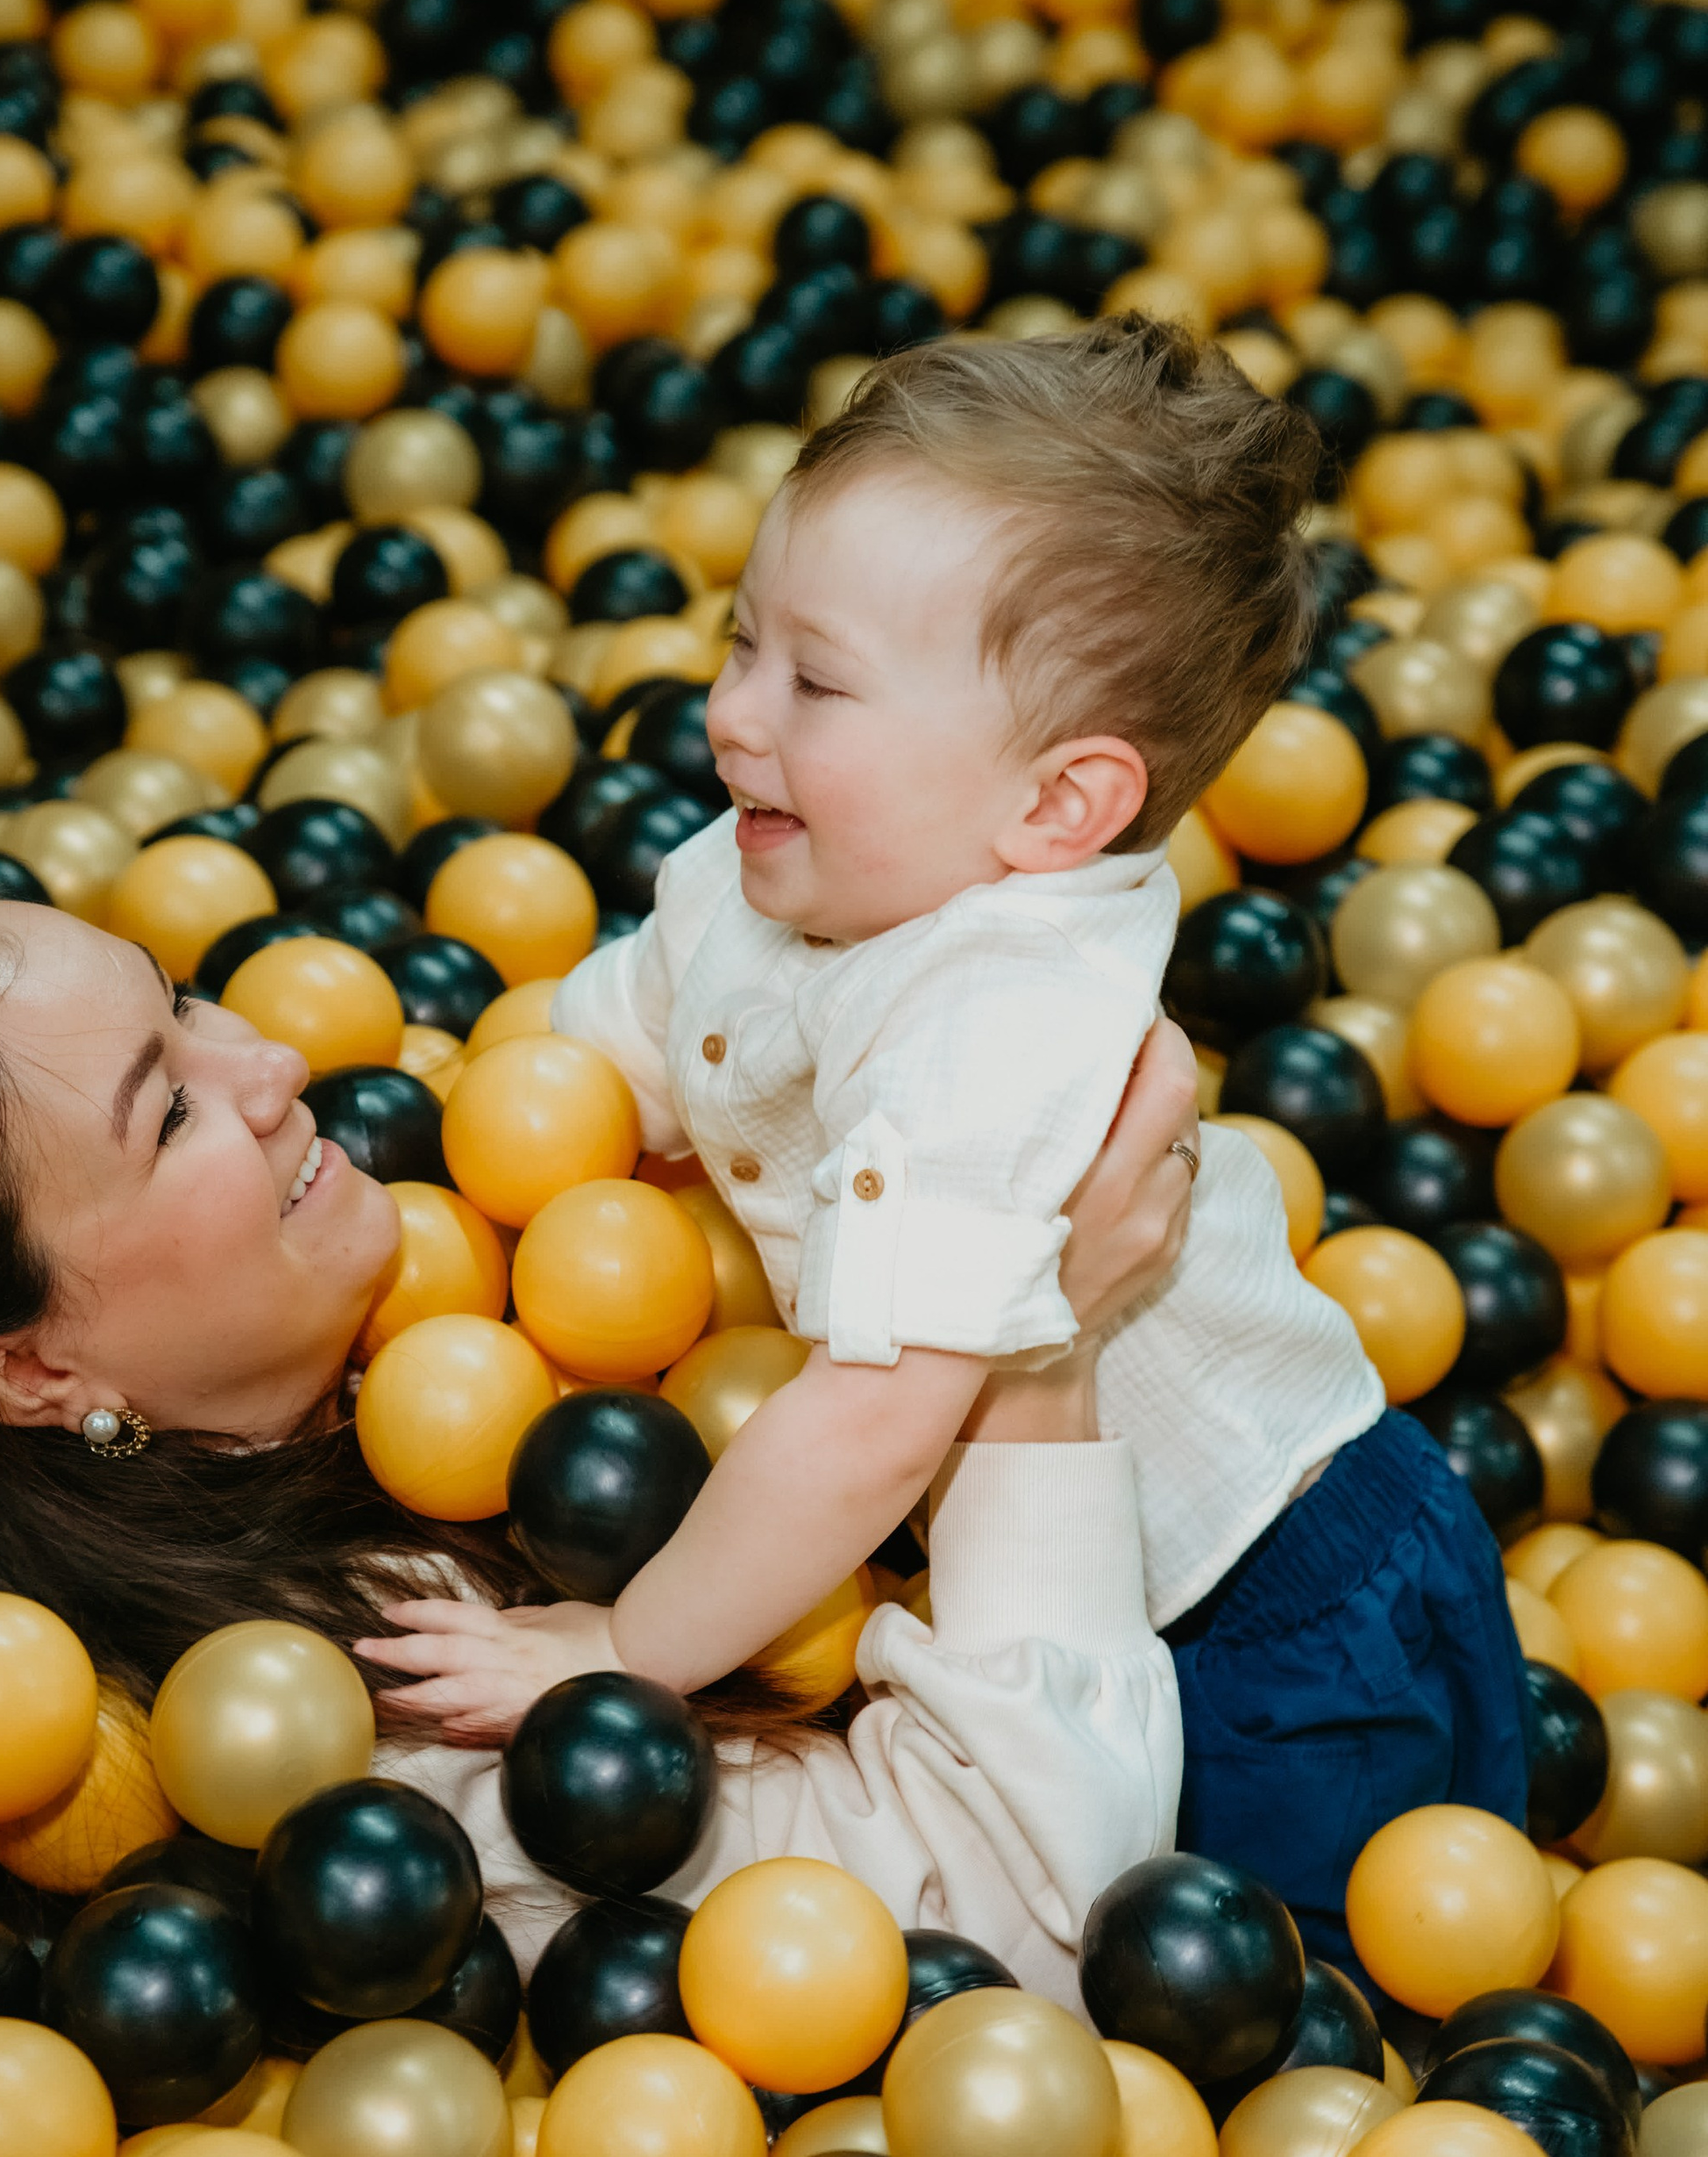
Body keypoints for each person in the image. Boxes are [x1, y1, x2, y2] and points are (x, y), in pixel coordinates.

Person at [367, 319, 1529, 1983]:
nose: (731, 715)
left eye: (815, 681)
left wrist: (628, 1647)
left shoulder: (998, 1017)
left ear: (1057, 812)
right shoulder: (795, 855)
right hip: (1041, 1562)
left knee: (1278, 1982)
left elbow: (874, 1420)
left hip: (1272, 1609)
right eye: (739, 640)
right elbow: (627, 1034)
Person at [0, 872, 1196, 1993]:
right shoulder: (344, 1724)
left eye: (179, 999)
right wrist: (1031, 1349)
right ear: (28, 1368)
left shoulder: (468, 1274)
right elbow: (1028, 1931)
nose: (277, 1063)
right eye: (166, 1113)